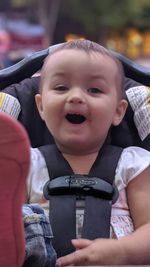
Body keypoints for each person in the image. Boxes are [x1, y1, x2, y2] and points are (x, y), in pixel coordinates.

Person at [0, 39, 150, 266]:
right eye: (61, 87)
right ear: (40, 106)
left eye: (95, 90)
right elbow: (8, 230)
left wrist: (122, 251)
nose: (76, 96)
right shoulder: (25, 164)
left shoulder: (134, 166)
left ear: (118, 112)